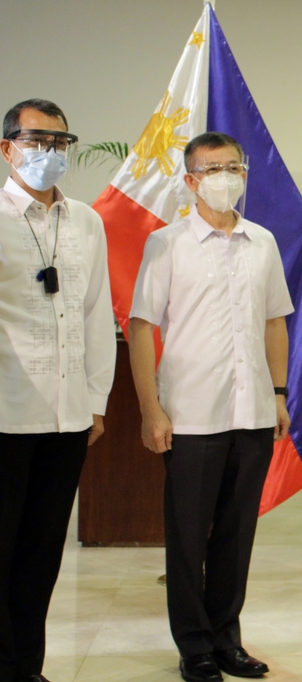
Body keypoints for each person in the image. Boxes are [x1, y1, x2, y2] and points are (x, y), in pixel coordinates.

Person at [128, 132, 293, 682]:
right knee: (188, 534)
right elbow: (142, 327)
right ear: (191, 179)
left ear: (245, 174)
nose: (225, 176)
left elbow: (275, 322)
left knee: (236, 532)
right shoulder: (167, 243)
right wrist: (152, 410)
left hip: (251, 412)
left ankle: (227, 638)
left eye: (233, 167)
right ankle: (194, 645)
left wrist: (278, 394)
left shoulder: (262, 242)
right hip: (192, 413)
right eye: (212, 168)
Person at [0, 99, 115, 682]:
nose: (49, 152)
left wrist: (95, 403)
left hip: (68, 418)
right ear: (7, 148)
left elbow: (97, 316)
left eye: (60, 142)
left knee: (42, 555)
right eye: (36, 139)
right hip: (5, 414)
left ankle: (28, 668)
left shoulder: (87, 220)